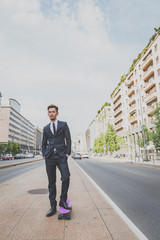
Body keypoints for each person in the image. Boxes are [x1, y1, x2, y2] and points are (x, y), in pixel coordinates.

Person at [42, 104, 71, 217]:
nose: (51, 113)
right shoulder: (45, 128)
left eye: (53, 111)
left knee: (66, 177)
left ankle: (63, 201)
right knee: (51, 183)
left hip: (61, 156)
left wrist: (67, 153)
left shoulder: (63, 125)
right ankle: (53, 207)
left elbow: (68, 139)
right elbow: (43, 144)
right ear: (48, 114)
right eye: (50, 112)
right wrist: (44, 154)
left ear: (57, 113)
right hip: (49, 157)